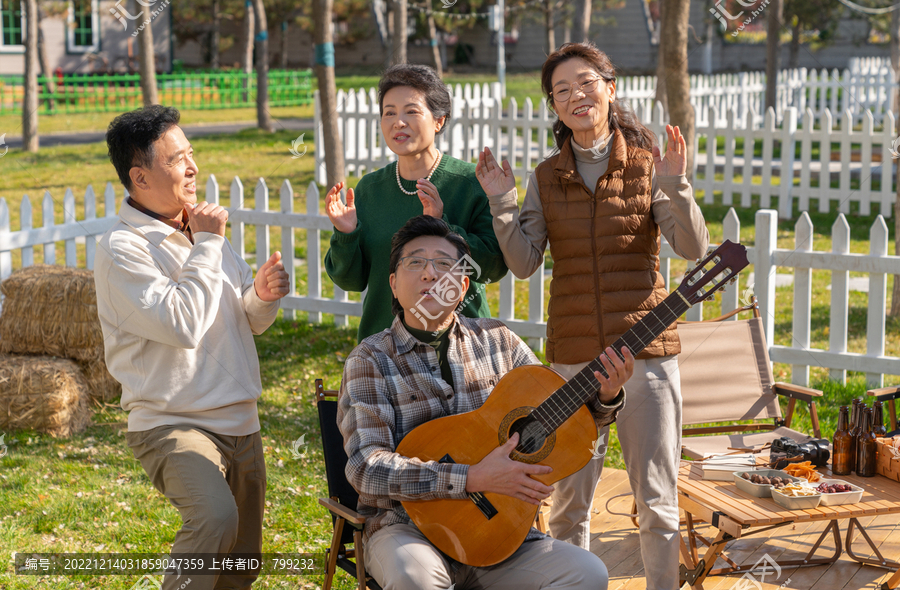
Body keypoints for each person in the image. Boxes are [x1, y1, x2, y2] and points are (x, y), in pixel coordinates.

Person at [475, 42, 709, 590]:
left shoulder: (647, 165)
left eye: (585, 83)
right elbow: (525, 264)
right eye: (562, 90)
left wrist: (676, 181)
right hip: (574, 361)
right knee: (568, 503)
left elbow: (692, 246)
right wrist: (502, 203)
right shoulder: (545, 176)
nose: (576, 96)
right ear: (554, 107)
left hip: (646, 353)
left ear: (609, 87)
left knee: (656, 499)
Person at [337, 215, 635, 590]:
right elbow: (366, 468)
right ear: (393, 285)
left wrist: (604, 397)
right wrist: (470, 477)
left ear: (461, 287)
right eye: (415, 262)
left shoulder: (499, 341)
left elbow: (561, 414)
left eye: (444, 264)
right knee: (415, 579)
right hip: (405, 529)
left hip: (499, 533)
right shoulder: (370, 360)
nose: (430, 274)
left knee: (587, 573)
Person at [95, 105, 290, 590]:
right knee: (214, 519)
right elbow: (182, 323)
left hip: (241, 420)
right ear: (139, 177)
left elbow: (245, 320)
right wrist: (205, 245)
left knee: (241, 563)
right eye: (177, 158)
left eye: (191, 154)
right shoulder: (123, 248)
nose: (193, 167)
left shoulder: (202, 231)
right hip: (171, 421)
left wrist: (261, 298)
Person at [324, 64, 507, 343]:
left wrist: (442, 223)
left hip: (460, 346)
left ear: (439, 121)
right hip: (385, 350)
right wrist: (346, 234)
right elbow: (351, 281)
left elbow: (493, 268)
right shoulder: (369, 190)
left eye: (411, 111)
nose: (399, 122)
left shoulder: (470, 183)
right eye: (389, 113)